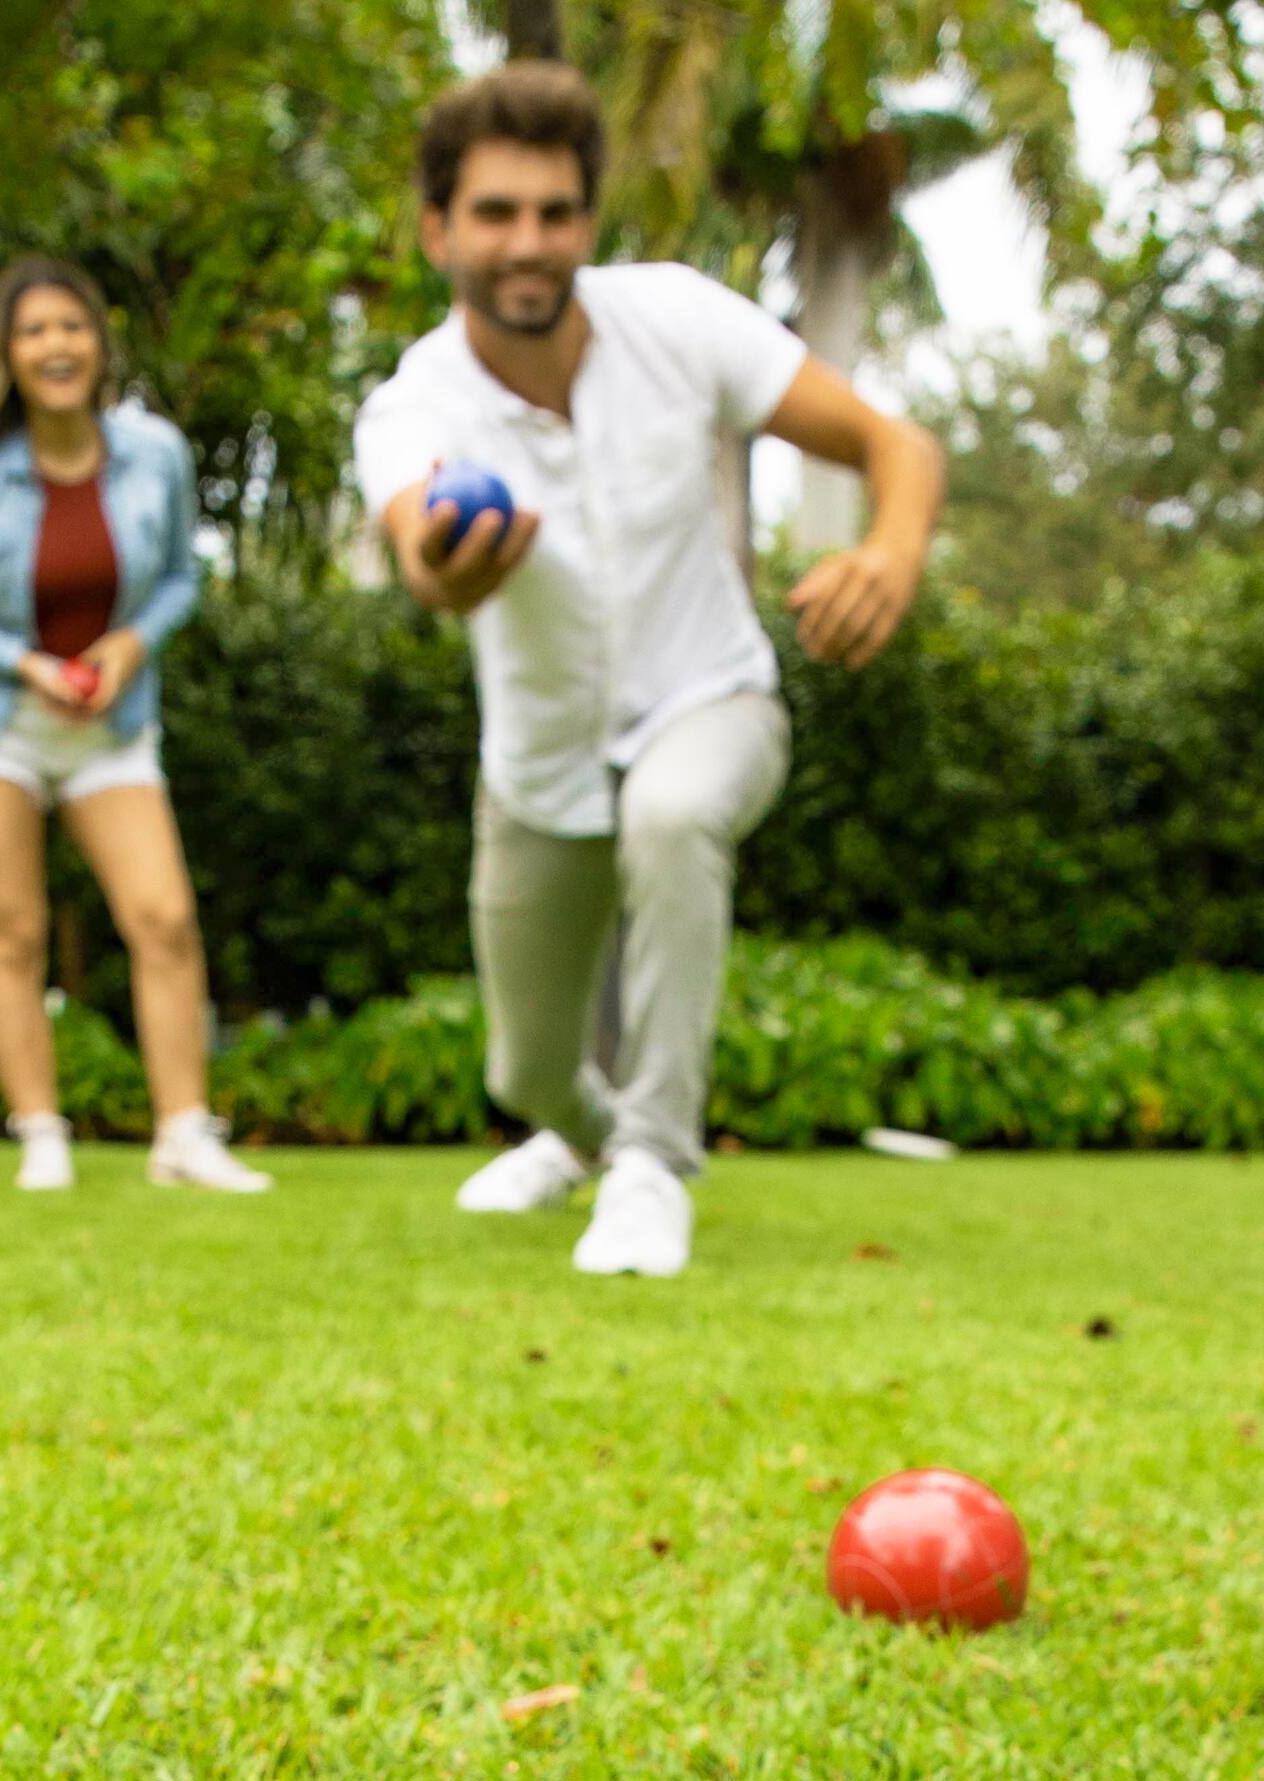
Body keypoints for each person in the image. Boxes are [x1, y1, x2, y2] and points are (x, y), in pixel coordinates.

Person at [355, 64, 942, 1277]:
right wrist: (464, 565)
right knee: (522, 1069)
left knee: (671, 817)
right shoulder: (412, 405)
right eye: (496, 214)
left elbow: (896, 444)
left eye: (555, 212)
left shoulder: (674, 317)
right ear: (438, 231)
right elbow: (424, 559)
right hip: (541, 761)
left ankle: (652, 1165)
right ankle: (575, 1141)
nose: (529, 242)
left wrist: (887, 551)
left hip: (709, 698)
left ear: (587, 219)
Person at [0, 255, 266, 1195]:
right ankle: (42, 1134)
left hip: (110, 725)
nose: (56, 346)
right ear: (7, 356)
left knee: (164, 918)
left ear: (99, 344)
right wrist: (21, 661)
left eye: (72, 327)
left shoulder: (155, 455)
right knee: (12, 931)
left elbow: (183, 574)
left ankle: (183, 1133)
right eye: (33, 331)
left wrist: (129, 645)